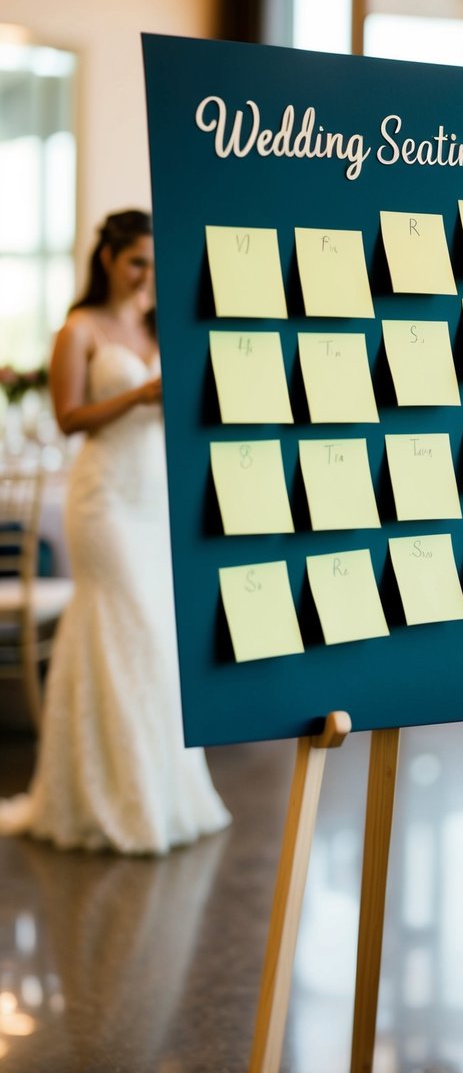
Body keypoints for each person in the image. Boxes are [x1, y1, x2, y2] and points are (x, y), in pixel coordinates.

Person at [0, 210, 230, 852]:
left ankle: (161, 791)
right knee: (122, 622)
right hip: (103, 498)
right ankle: (108, 798)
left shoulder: (157, 326)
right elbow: (70, 417)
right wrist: (138, 395)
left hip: (153, 492)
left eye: (154, 266)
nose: (145, 277)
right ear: (108, 259)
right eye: (136, 263)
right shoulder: (78, 330)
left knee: (155, 634)